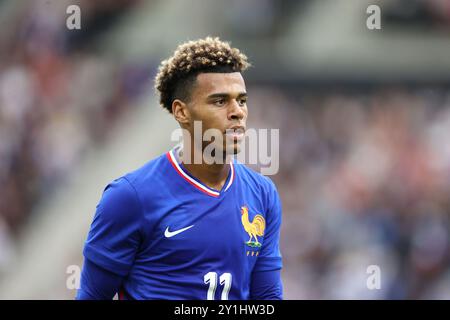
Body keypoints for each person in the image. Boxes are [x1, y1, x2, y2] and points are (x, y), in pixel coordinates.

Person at [77, 37, 283, 300]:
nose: (237, 112)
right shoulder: (130, 197)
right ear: (181, 112)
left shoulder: (263, 194)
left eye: (241, 100)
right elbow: (92, 295)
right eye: (220, 101)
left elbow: (267, 298)